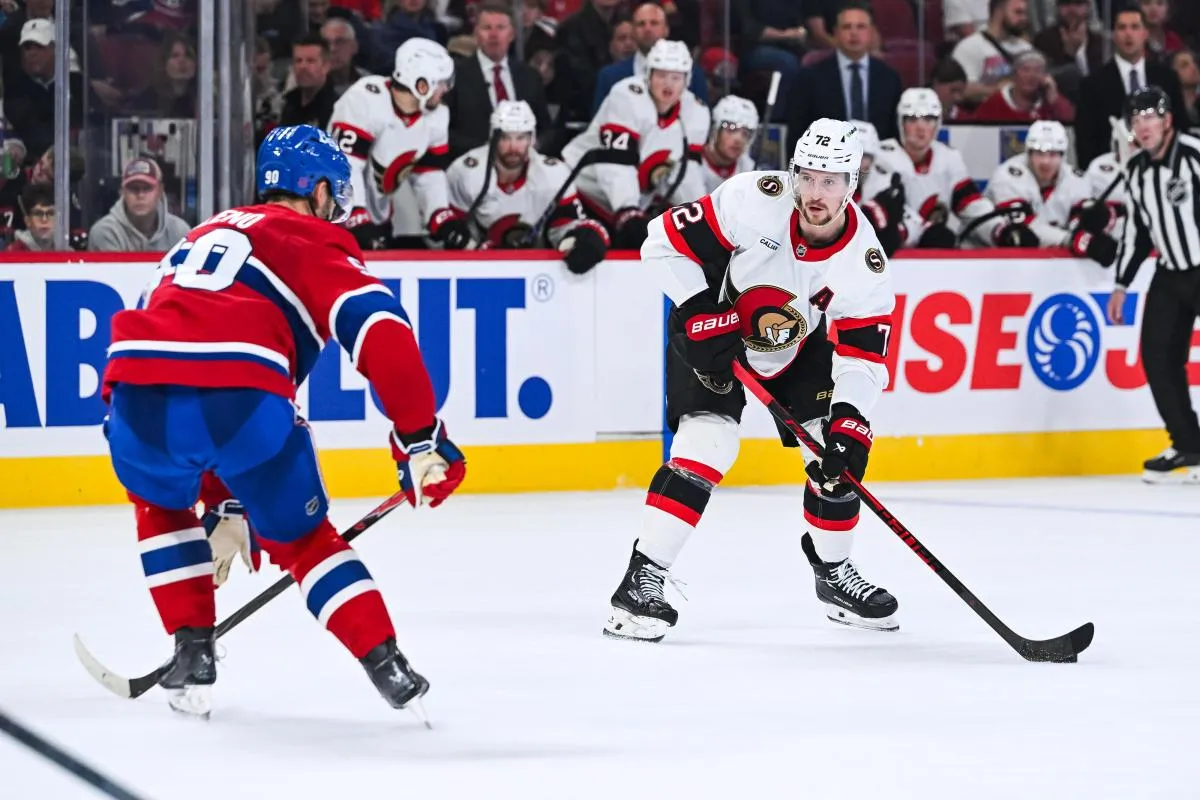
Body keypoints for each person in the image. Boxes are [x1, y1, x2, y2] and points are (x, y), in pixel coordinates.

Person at [101, 124, 467, 719]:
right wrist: (418, 434)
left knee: (160, 502)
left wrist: (223, 502)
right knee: (303, 541)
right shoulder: (311, 240)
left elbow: (178, 351)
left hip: (137, 397)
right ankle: (385, 662)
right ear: (319, 191)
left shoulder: (198, 234)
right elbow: (383, 332)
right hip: (242, 403)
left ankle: (191, 651)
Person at [603, 118, 898, 642]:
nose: (815, 192)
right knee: (707, 443)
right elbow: (659, 243)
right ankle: (640, 582)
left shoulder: (865, 264)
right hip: (714, 327)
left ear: (853, 185)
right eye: (807, 176)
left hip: (797, 345)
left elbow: (862, 356)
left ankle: (834, 575)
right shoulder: (751, 197)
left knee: (831, 458)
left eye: (831, 181)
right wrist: (696, 309)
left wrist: (852, 420)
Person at [1106, 87, 1200, 484]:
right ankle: (1189, 444)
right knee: (1157, 357)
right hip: (1171, 273)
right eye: (1136, 119)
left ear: (1167, 120)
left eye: (1149, 117)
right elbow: (1137, 232)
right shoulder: (1137, 171)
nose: (1143, 126)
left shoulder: (1194, 154)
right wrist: (1121, 284)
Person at [562, 39, 710, 249]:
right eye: (661, 75)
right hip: (581, 193)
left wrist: (700, 219)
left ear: (687, 81)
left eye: (676, 77)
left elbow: (687, 175)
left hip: (628, 208)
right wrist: (628, 209)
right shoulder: (627, 96)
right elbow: (616, 162)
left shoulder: (696, 112)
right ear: (648, 75)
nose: (668, 84)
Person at [328, 37, 471, 249]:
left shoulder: (437, 117)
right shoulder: (365, 98)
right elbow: (344, 165)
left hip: (378, 220)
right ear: (422, 84)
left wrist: (441, 217)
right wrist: (355, 215)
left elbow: (429, 174)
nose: (446, 89)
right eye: (441, 82)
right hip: (332, 220)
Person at [861, 88, 1033, 250]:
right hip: (888, 253)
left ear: (938, 124)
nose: (920, 127)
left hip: (937, 250)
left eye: (928, 119)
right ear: (901, 122)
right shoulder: (881, 156)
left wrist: (1000, 230)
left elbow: (971, 205)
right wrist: (923, 231)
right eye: (912, 119)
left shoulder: (949, 158)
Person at [447, 100, 609, 272]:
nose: (513, 147)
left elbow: (565, 226)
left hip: (537, 268)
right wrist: (478, 249)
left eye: (521, 138)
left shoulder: (554, 174)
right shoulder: (464, 172)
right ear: (492, 137)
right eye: (505, 138)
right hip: (476, 268)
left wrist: (588, 234)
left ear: (532, 139)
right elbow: (448, 231)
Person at [985, 120, 1113, 262]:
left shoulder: (1076, 179)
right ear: (1029, 153)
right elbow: (1026, 229)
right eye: (1039, 153)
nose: (1045, 161)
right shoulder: (1007, 175)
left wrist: (1085, 235)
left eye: (1052, 154)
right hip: (988, 255)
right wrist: (1071, 239)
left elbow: (1080, 221)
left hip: (1047, 261)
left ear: (1062, 155)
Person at [1074, 6, 1186, 167]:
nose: (1128, 34)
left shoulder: (1167, 79)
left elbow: (1180, 128)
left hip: (1163, 171)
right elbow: (1086, 141)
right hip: (1112, 175)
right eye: (1122, 27)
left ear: (1145, 33)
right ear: (1113, 35)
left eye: (1135, 27)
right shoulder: (1093, 84)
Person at [786, 2, 903, 152]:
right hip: (826, 164)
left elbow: (894, 134)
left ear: (871, 32)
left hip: (877, 165)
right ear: (835, 33)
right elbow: (798, 133)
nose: (854, 33)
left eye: (861, 27)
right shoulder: (811, 78)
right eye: (847, 27)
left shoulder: (889, 78)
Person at [443, 0, 551, 158]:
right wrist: (487, 150)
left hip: (525, 164)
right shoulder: (456, 76)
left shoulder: (529, 76)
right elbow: (445, 133)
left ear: (512, 34)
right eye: (487, 28)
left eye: (500, 28)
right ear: (476, 34)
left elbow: (547, 129)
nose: (494, 35)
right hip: (473, 165)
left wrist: (535, 144)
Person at [591, 1, 708, 114]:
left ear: (666, 30)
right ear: (633, 32)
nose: (647, 29)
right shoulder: (609, 76)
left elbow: (703, 119)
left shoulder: (692, 74)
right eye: (641, 24)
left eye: (654, 23)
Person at [88, 158, 191, 252]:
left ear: (160, 191)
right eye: (133, 188)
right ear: (122, 192)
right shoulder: (105, 232)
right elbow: (113, 272)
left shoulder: (180, 231)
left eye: (147, 188)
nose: (140, 195)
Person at [950, 0, 1033, 106]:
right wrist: (1001, 90)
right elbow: (962, 89)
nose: (1024, 19)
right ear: (998, 13)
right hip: (982, 117)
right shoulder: (970, 47)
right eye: (1018, 12)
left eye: (1025, 14)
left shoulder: (1026, 48)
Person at [969, 50, 1075, 122]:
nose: (1031, 76)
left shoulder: (1049, 101)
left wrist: (1054, 99)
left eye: (1037, 71)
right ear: (1014, 75)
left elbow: (1069, 121)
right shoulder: (995, 102)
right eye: (1025, 70)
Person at [699, 95, 757, 193]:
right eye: (731, 129)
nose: (738, 139)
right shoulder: (691, 167)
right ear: (715, 130)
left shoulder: (751, 172)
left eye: (746, 133)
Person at [280, 34, 337, 129]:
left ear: (326, 66)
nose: (302, 67)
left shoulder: (336, 108)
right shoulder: (287, 104)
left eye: (310, 61)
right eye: (298, 61)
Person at [321, 18, 371, 101]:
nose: (332, 49)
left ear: (354, 46)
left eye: (340, 42)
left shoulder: (368, 82)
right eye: (326, 43)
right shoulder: (310, 84)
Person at [8, 182, 54, 252]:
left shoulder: (68, 252)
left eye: (50, 213)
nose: (44, 219)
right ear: (27, 221)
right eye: (38, 213)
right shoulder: (13, 253)